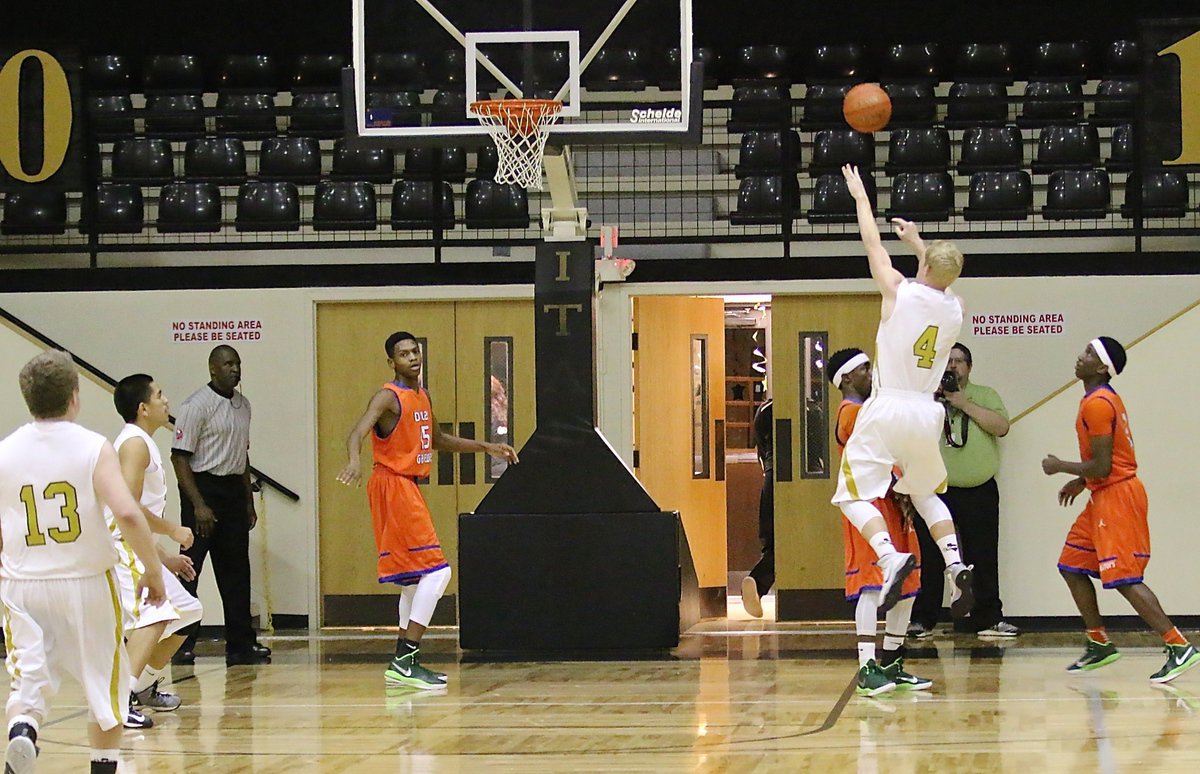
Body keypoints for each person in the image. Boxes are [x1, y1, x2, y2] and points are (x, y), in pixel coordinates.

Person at [0, 350, 166, 774]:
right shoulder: (93, 447)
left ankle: (22, 730)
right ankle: (103, 766)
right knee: (103, 682)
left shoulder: (5, 452)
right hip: (87, 582)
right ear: (75, 396)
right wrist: (151, 568)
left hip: (23, 583)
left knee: (29, 678)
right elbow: (127, 513)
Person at [338, 332, 519, 689]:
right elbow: (357, 431)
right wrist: (354, 461)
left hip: (405, 486)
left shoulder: (421, 396)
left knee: (414, 581)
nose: (412, 357)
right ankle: (406, 657)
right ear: (392, 362)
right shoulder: (388, 396)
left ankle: (404, 664)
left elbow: (437, 440)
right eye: (403, 354)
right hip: (393, 484)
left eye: (415, 351)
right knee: (438, 574)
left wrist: (488, 447)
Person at [832, 163, 973, 619]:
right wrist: (919, 244)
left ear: (925, 265)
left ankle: (889, 556)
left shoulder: (896, 290)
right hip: (927, 413)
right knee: (926, 492)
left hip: (889, 405)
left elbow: (871, 243)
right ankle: (954, 564)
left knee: (851, 495)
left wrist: (860, 197)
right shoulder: (955, 309)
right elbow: (937, 278)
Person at [1043, 337, 1200, 683]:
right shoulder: (1098, 400)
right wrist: (1081, 484)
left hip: (1117, 498)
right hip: (1102, 494)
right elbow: (1105, 463)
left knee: (1125, 578)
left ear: (1101, 367)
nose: (1079, 356)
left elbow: (1101, 466)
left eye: (1088, 353)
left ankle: (1179, 646)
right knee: (1071, 565)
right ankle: (1098, 641)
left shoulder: (1098, 404)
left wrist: (1061, 467)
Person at [830, 347, 931, 697]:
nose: (872, 374)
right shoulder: (850, 413)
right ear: (846, 378)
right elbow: (883, 454)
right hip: (868, 503)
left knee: (907, 588)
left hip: (893, 502)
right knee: (872, 585)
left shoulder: (871, 410)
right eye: (865, 369)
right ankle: (866, 667)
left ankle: (892, 661)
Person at [109, 374, 205, 729]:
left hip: (138, 543)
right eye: (160, 395)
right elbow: (128, 506)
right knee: (154, 616)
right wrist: (173, 530)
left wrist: (165, 557)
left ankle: (144, 685)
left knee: (187, 611)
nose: (167, 401)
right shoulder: (134, 443)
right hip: (122, 545)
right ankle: (120, 701)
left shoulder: (143, 442)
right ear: (143, 408)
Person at [909, 343, 1018, 639]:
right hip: (932, 492)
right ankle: (922, 619)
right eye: (948, 361)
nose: (953, 367)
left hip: (978, 489)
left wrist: (963, 404)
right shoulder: (925, 398)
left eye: (959, 361)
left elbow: (1001, 427)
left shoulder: (984, 395)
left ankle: (988, 618)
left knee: (982, 555)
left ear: (969, 367)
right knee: (930, 558)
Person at [170, 345, 270, 666]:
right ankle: (181, 643)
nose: (234, 369)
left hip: (231, 492)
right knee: (190, 569)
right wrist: (198, 504)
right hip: (201, 489)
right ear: (213, 369)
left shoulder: (244, 406)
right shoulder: (195, 405)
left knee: (237, 572)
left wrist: (248, 502)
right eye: (227, 364)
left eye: (237, 363)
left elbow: (242, 456)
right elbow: (180, 457)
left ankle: (240, 645)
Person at [741, 397, 773, 618]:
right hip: (798, 481)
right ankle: (758, 581)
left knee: (776, 543)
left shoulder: (763, 410)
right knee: (800, 540)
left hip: (770, 478)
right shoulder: (808, 407)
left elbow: (760, 451)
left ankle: (758, 583)